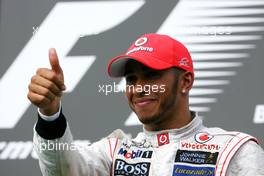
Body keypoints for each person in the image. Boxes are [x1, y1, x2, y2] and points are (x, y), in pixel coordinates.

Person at [28, 33, 264, 176]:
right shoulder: (114, 152)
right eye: (131, 79)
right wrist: (50, 114)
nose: (139, 87)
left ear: (185, 81)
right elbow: (62, 171)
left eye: (151, 75)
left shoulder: (234, 150)